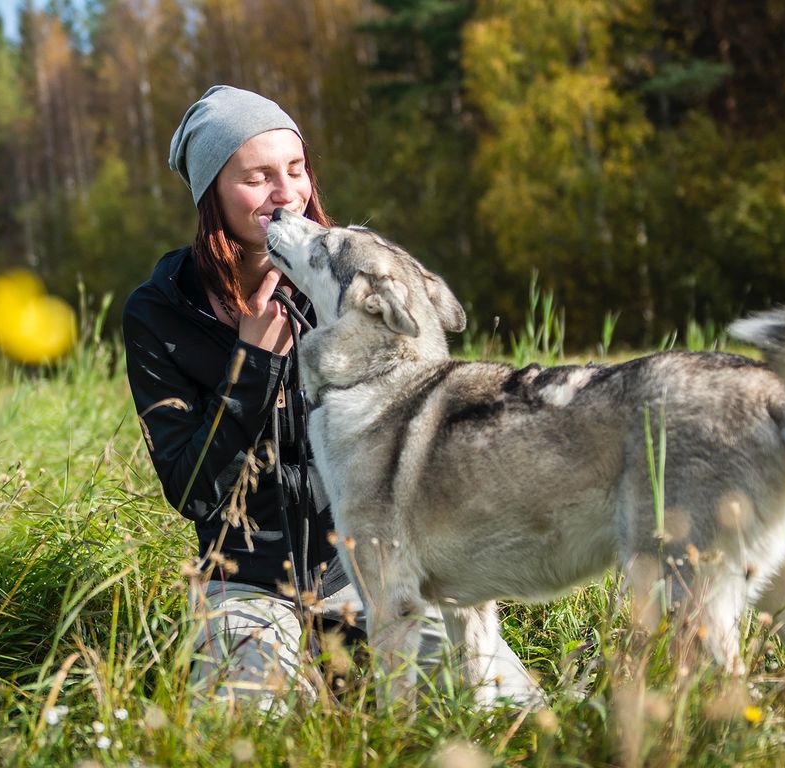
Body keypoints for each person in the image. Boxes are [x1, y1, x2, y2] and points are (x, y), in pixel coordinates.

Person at [121, 85, 542, 709]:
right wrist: (252, 364)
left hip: (371, 566)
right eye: (257, 177)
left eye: (295, 170)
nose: (286, 193)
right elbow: (193, 490)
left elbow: (422, 422)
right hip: (245, 582)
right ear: (212, 193)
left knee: (508, 709)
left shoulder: (346, 283)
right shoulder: (160, 315)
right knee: (246, 720)